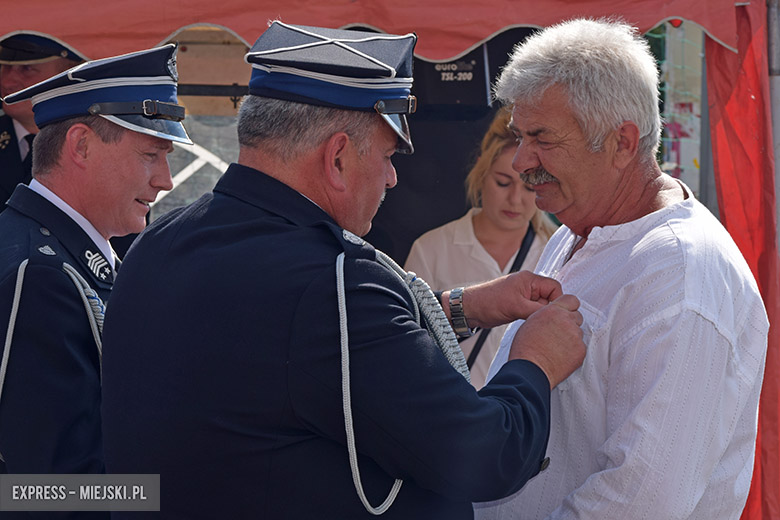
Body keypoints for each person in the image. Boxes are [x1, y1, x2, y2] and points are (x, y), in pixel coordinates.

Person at [100, 22, 586, 519]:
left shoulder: (158, 244)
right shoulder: (334, 285)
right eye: (387, 155)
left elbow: (288, 353)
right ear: (336, 158)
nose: (393, 177)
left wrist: (460, 309)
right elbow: (486, 456)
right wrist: (535, 363)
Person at [474, 18, 769, 520]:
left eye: (542, 137)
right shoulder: (582, 224)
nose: (522, 160)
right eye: (520, 136)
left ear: (622, 143)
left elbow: (641, 502)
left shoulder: (681, 273)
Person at [0, 43, 189, 499]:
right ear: (81, 145)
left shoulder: (54, 254)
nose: (165, 179)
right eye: (150, 155)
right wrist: (185, 495)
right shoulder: (41, 275)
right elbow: (46, 491)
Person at [405, 107, 558, 388]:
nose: (515, 199)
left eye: (528, 187)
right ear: (481, 170)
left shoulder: (555, 252)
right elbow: (407, 345)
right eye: (503, 182)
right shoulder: (432, 249)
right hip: (454, 417)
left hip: (527, 416)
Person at [0, 33, 85, 210]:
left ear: (68, 74)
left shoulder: (99, 143)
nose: (7, 82)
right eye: (4, 67)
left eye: (27, 69)